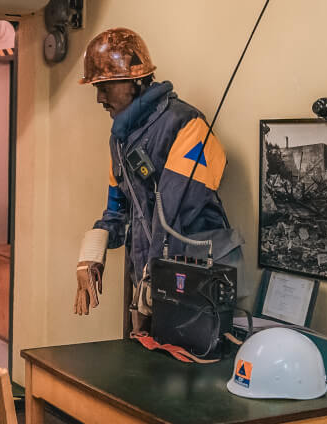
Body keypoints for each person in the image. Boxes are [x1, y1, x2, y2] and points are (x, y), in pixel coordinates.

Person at [73, 28, 240, 335]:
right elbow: (116, 212)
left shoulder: (188, 126)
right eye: (96, 87)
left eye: (106, 86)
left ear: (136, 81)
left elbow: (174, 218)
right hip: (148, 286)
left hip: (195, 286)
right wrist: (91, 255)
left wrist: (154, 280)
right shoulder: (120, 140)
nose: (99, 98)